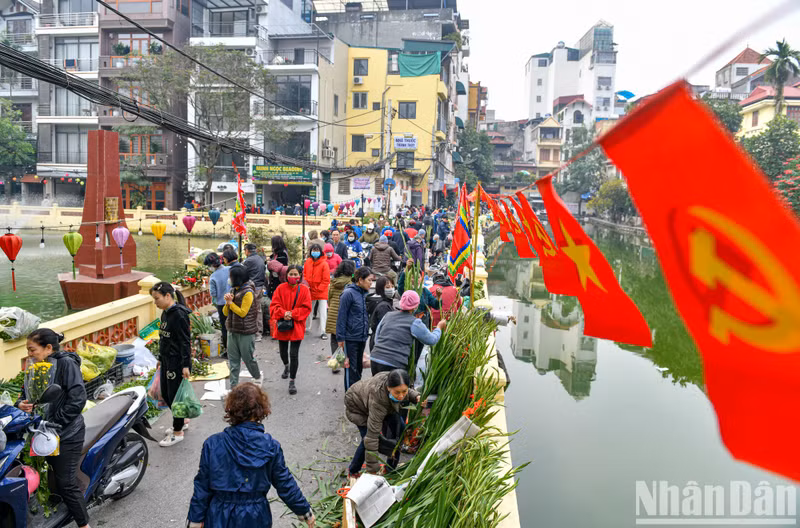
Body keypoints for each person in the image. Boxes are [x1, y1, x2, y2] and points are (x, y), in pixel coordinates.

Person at [187, 383, 315, 528]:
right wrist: (304, 511)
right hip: (255, 516)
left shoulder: (212, 444)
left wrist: (195, 520)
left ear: (231, 409)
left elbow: (202, 486)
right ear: (261, 410)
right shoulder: (271, 446)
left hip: (219, 515)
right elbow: (284, 483)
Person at [16, 329, 90, 528]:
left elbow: (77, 399)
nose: (29, 354)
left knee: (66, 483)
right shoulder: (36, 365)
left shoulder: (66, 364)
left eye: (32, 350)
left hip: (66, 432)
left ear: (48, 348)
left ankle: (84, 524)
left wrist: (56, 422)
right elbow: (27, 392)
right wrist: (21, 404)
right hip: (43, 432)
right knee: (48, 477)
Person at [344, 369, 421, 478]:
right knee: (367, 439)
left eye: (404, 391)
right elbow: (372, 438)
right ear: (388, 388)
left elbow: (404, 390)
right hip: (358, 407)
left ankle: (390, 469)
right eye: (397, 392)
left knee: (400, 430)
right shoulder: (378, 402)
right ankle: (353, 471)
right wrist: (372, 470)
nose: (401, 396)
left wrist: (416, 396)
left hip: (384, 405)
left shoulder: (394, 383)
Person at [149, 282, 193, 447]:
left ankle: (178, 432)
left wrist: (186, 365)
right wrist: (160, 358)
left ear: (168, 296)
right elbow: (164, 338)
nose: (155, 302)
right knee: (166, 394)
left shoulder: (179, 315)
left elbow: (185, 342)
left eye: (157, 298)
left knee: (174, 396)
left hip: (177, 362)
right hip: (167, 360)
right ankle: (182, 420)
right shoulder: (165, 313)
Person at [370, 291, 445, 375]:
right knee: (391, 388)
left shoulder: (388, 315)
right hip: (393, 363)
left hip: (375, 358)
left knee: (377, 386)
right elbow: (432, 340)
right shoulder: (414, 322)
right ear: (416, 306)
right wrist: (439, 327)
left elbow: (377, 336)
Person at [270, 265, 312, 395]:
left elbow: (307, 308)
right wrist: (283, 313)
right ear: (286, 275)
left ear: (300, 276)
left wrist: (292, 314)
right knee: (283, 352)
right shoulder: (280, 288)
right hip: (283, 324)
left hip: (297, 325)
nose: (293, 277)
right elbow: (273, 306)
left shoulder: (304, 290)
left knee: (294, 354)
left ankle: (292, 381)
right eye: (291, 274)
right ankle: (286, 366)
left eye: (296, 274)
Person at [224, 265, 263, 389]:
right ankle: (233, 386)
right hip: (232, 330)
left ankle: (257, 376)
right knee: (233, 361)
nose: (229, 279)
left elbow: (243, 312)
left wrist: (231, 303)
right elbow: (226, 312)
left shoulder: (248, 292)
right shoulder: (233, 290)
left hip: (246, 331)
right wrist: (227, 303)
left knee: (248, 358)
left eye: (231, 277)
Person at [336, 266, 373, 390]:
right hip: (350, 338)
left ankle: (356, 394)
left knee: (359, 368)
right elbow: (341, 317)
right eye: (369, 280)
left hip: (362, 337)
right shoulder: (348, 294)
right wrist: (340, 338)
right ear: (360, 280)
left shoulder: (364, 294)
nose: (371, 283)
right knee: (351, 369)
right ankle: (350, 397)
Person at [325, 260, 355, 355]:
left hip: (333, 312)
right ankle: (346, 359)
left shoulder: (334, 281)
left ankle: (336, 362)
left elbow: (329, 298)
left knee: (334, 338)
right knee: (346, 338)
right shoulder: (352, 283)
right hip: (346, 313)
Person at [205, 253, 231, 354]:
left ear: (211, 265)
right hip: (233, 302)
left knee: (225, 328)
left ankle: (228, 351)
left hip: (222, 304)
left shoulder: (213, 277)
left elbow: (213, 293)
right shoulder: (229, 269)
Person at [303, 243, 330, 340]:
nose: (315, 252)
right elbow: (305, 275)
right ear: (310, 252)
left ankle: (323, 331)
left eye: (317, 250)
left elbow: (326, 280)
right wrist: (307, 286)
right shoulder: (308, 262)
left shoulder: (324, 264)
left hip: (321, 291)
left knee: (322, 312)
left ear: (320, 252)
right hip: (310, 290)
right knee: (308, 309)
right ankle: (306, 327)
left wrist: (318, 288)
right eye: (313, 250)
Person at [243, 243, 267, 342]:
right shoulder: (260, 259)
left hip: (253, 287)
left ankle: (256, 333)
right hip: (260, 286)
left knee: (253, 311)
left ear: (247, 251)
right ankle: (259, 331)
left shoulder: (248, 261)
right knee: (258, 310)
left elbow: (242, 273)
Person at [366, 276, 395, 352]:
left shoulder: (378, 301)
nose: (391, 289)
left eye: (392, 286)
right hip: (381, 344)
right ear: (381, 289)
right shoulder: (383, 306)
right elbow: (384, 328)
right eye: (387, 287)